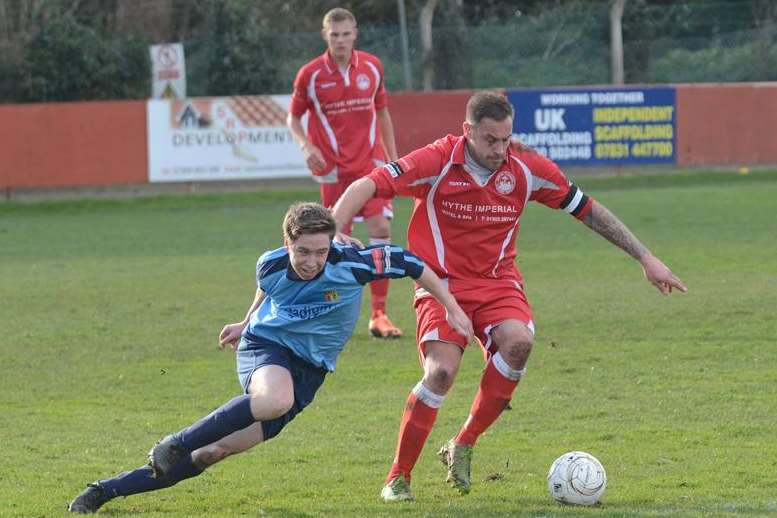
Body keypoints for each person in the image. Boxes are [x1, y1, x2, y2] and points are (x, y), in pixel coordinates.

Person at [331, 91, 688, 502]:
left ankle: (463, 443)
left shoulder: (525, 166)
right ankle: (399, 477)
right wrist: (336, 229)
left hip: (498, 284)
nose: (500, 150)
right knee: (441, 373)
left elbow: (587, 208)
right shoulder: (437, 160)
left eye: (505, 140)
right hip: (441, 285)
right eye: (490, 141)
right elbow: (368, 183)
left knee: (519, 343)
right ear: (468, 132)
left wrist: (645, 257)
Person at [67, 202, 473, 514]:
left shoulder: (354, 264)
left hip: (310, 373)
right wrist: (247, 323)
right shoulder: (270, 264)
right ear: (287, 244)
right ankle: (174, 442)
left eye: (320, 250)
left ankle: (105, 490)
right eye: (302, 251)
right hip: (267, 348)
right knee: (272, 400)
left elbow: (414, 264)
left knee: (212, 453)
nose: (312, 261)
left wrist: (452, 308)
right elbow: (266, 290)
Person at [286, 7, 403, 339]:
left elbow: (383, 114)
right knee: (332, 240)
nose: (340, 40)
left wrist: (394, 162)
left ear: (355, 33)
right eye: (334, 34)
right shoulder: (310, 75)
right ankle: (328, 310)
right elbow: (292, 119)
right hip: (334, 171)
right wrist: (306, 146)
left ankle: (379, 314)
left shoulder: (372, 67)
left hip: (370, 166)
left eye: (346, 33)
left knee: (381, 227)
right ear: (326, 36)